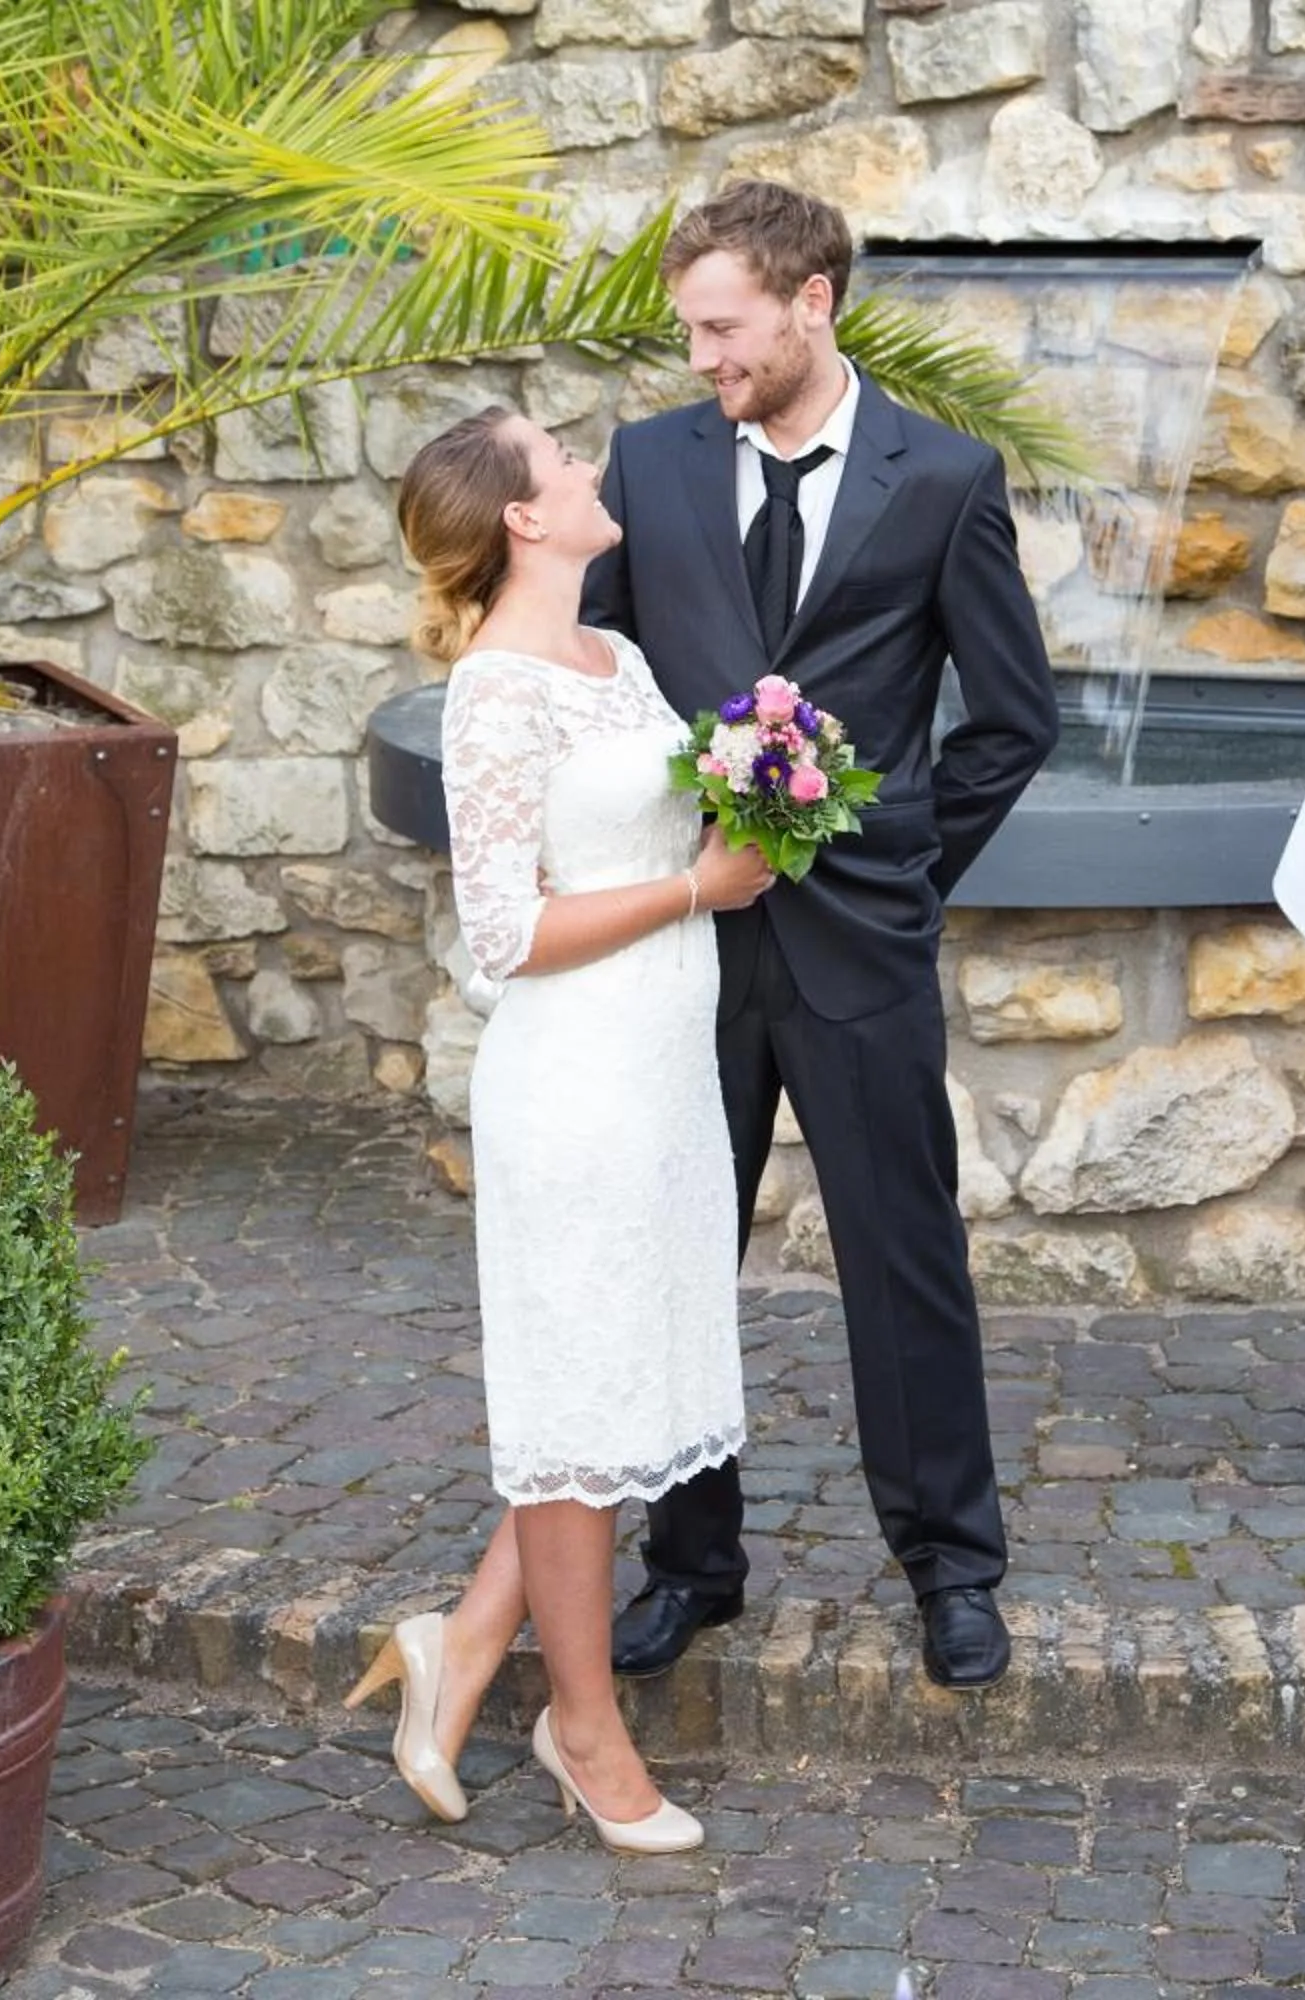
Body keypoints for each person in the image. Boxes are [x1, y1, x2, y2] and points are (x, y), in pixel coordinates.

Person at [584, 180, 1061, 1691]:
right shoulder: (649, 465)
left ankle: (952, 1569)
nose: (703, 358)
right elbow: (600, 683)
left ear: (812, 302)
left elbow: (1013, 718)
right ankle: (691, 1565)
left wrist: (901, 859)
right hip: (686, 945)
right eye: (690, 331)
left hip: (862, 938)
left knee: (904, 1258)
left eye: (723, 327)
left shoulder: (946, 478)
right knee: (678, 1253)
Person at [341, 406, 773, 1851]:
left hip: (664, 1078)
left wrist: (756, 813)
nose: (594, 467)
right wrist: (698, 891)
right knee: (581, 1409)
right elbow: (505, 934)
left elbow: (644, 832)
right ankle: (583, 1732)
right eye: (565, 459)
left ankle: (461, 1643)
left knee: (614, 1390)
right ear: (525, 517)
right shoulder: (494, 693)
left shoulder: (619, 658)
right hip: (576, 1087)